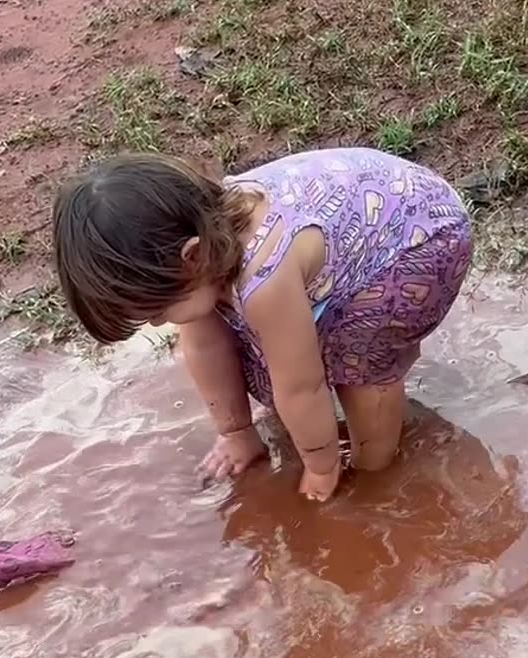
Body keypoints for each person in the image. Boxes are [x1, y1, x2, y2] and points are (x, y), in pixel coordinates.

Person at [52, 148, 473, 501]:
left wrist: (321, 468)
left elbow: (302, 388)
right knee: (258, 348)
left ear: (192, 256)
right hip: (364, 214)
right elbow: (205, 346)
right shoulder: (196, 240)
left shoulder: (264, 279)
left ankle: (376, 472)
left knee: (359, 361)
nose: (159, 323)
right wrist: (236, 431)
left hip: (421, 237)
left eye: (158, 312)